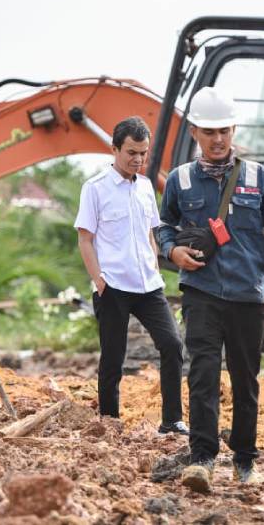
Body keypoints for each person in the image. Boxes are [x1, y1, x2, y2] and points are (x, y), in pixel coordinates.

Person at [157, 86, 264, 493]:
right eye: (210, 131)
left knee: (246, 380)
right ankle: (202, 459)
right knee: (202, 374)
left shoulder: (259, 178)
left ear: (234, 130)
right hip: (201, 293)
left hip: (248, 295)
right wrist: (172, 251)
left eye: (224, 131)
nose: (218, 139)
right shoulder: (180, 179)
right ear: (195, 132)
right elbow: (163, 227)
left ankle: (245, 461)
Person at [75, 116, 188, 436]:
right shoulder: (95, 188)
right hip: (113, 286)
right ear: (114, 149)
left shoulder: (146, 187)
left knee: (172, 344)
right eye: (131, 153)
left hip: (148, 285)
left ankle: (172, 420)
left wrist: (154, 264)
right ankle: (109, 422)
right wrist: (99, 280)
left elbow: (150, 232)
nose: (138, 159)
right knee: (113, 358)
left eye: (143, 153)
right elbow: (85, 239)